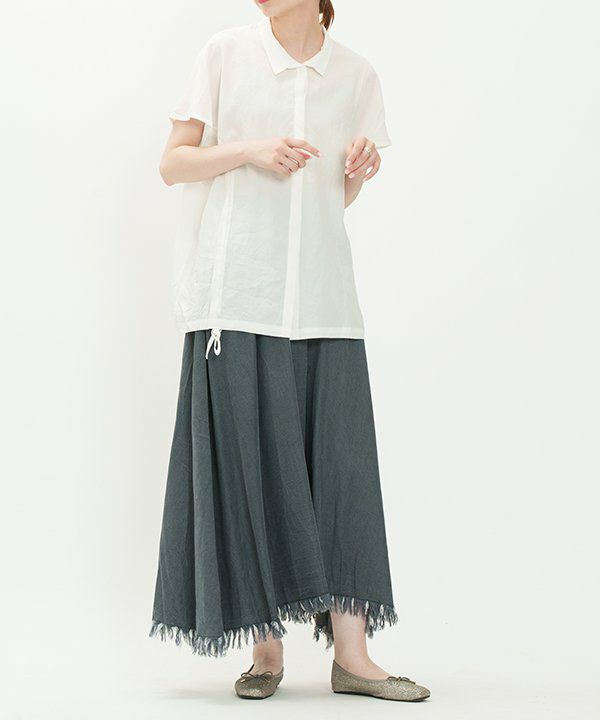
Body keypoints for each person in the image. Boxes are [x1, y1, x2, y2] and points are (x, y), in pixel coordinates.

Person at [150, 0, 430, 703]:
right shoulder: (225, 53)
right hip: (237, 298)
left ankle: (354, 657)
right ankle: (265, 650)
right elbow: (173, 164)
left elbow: (334, 197)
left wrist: (361, 169)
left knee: (344, 473)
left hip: (324, 301)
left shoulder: (357, 76)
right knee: (249, 472)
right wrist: (249, 150)